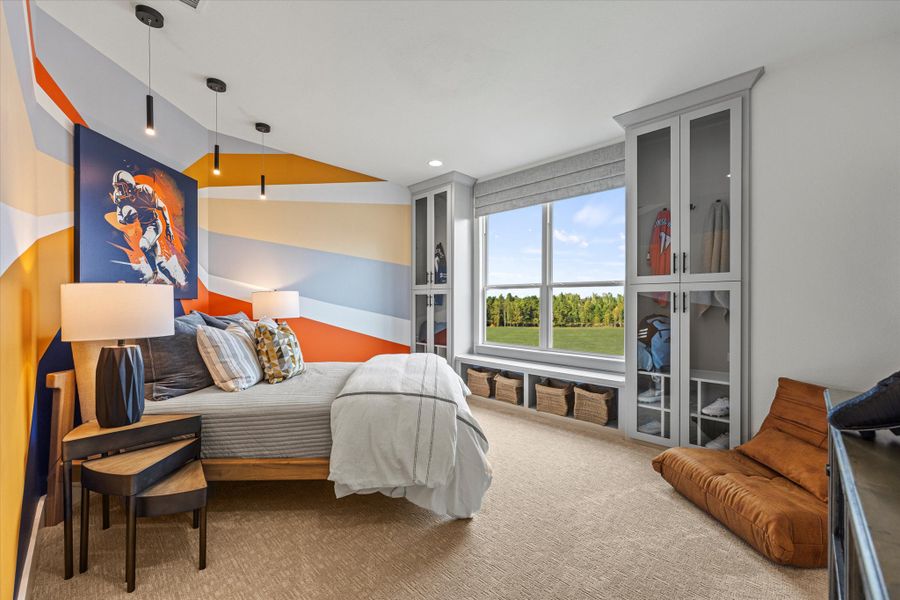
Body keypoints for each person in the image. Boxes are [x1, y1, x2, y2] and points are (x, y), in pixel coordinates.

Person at [110, 170, 178, 284]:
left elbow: (163, 207)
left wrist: (168, 227)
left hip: (154, 224)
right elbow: (119, 217)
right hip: (145, 229)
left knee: (143, 245)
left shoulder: (144, 190)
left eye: (121, 187)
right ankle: (176, 283)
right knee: (161, 264)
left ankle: (154, 273)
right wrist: (126, 219)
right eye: (117, 187)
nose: (118, 191)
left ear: (129, 185)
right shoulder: (121, 198)